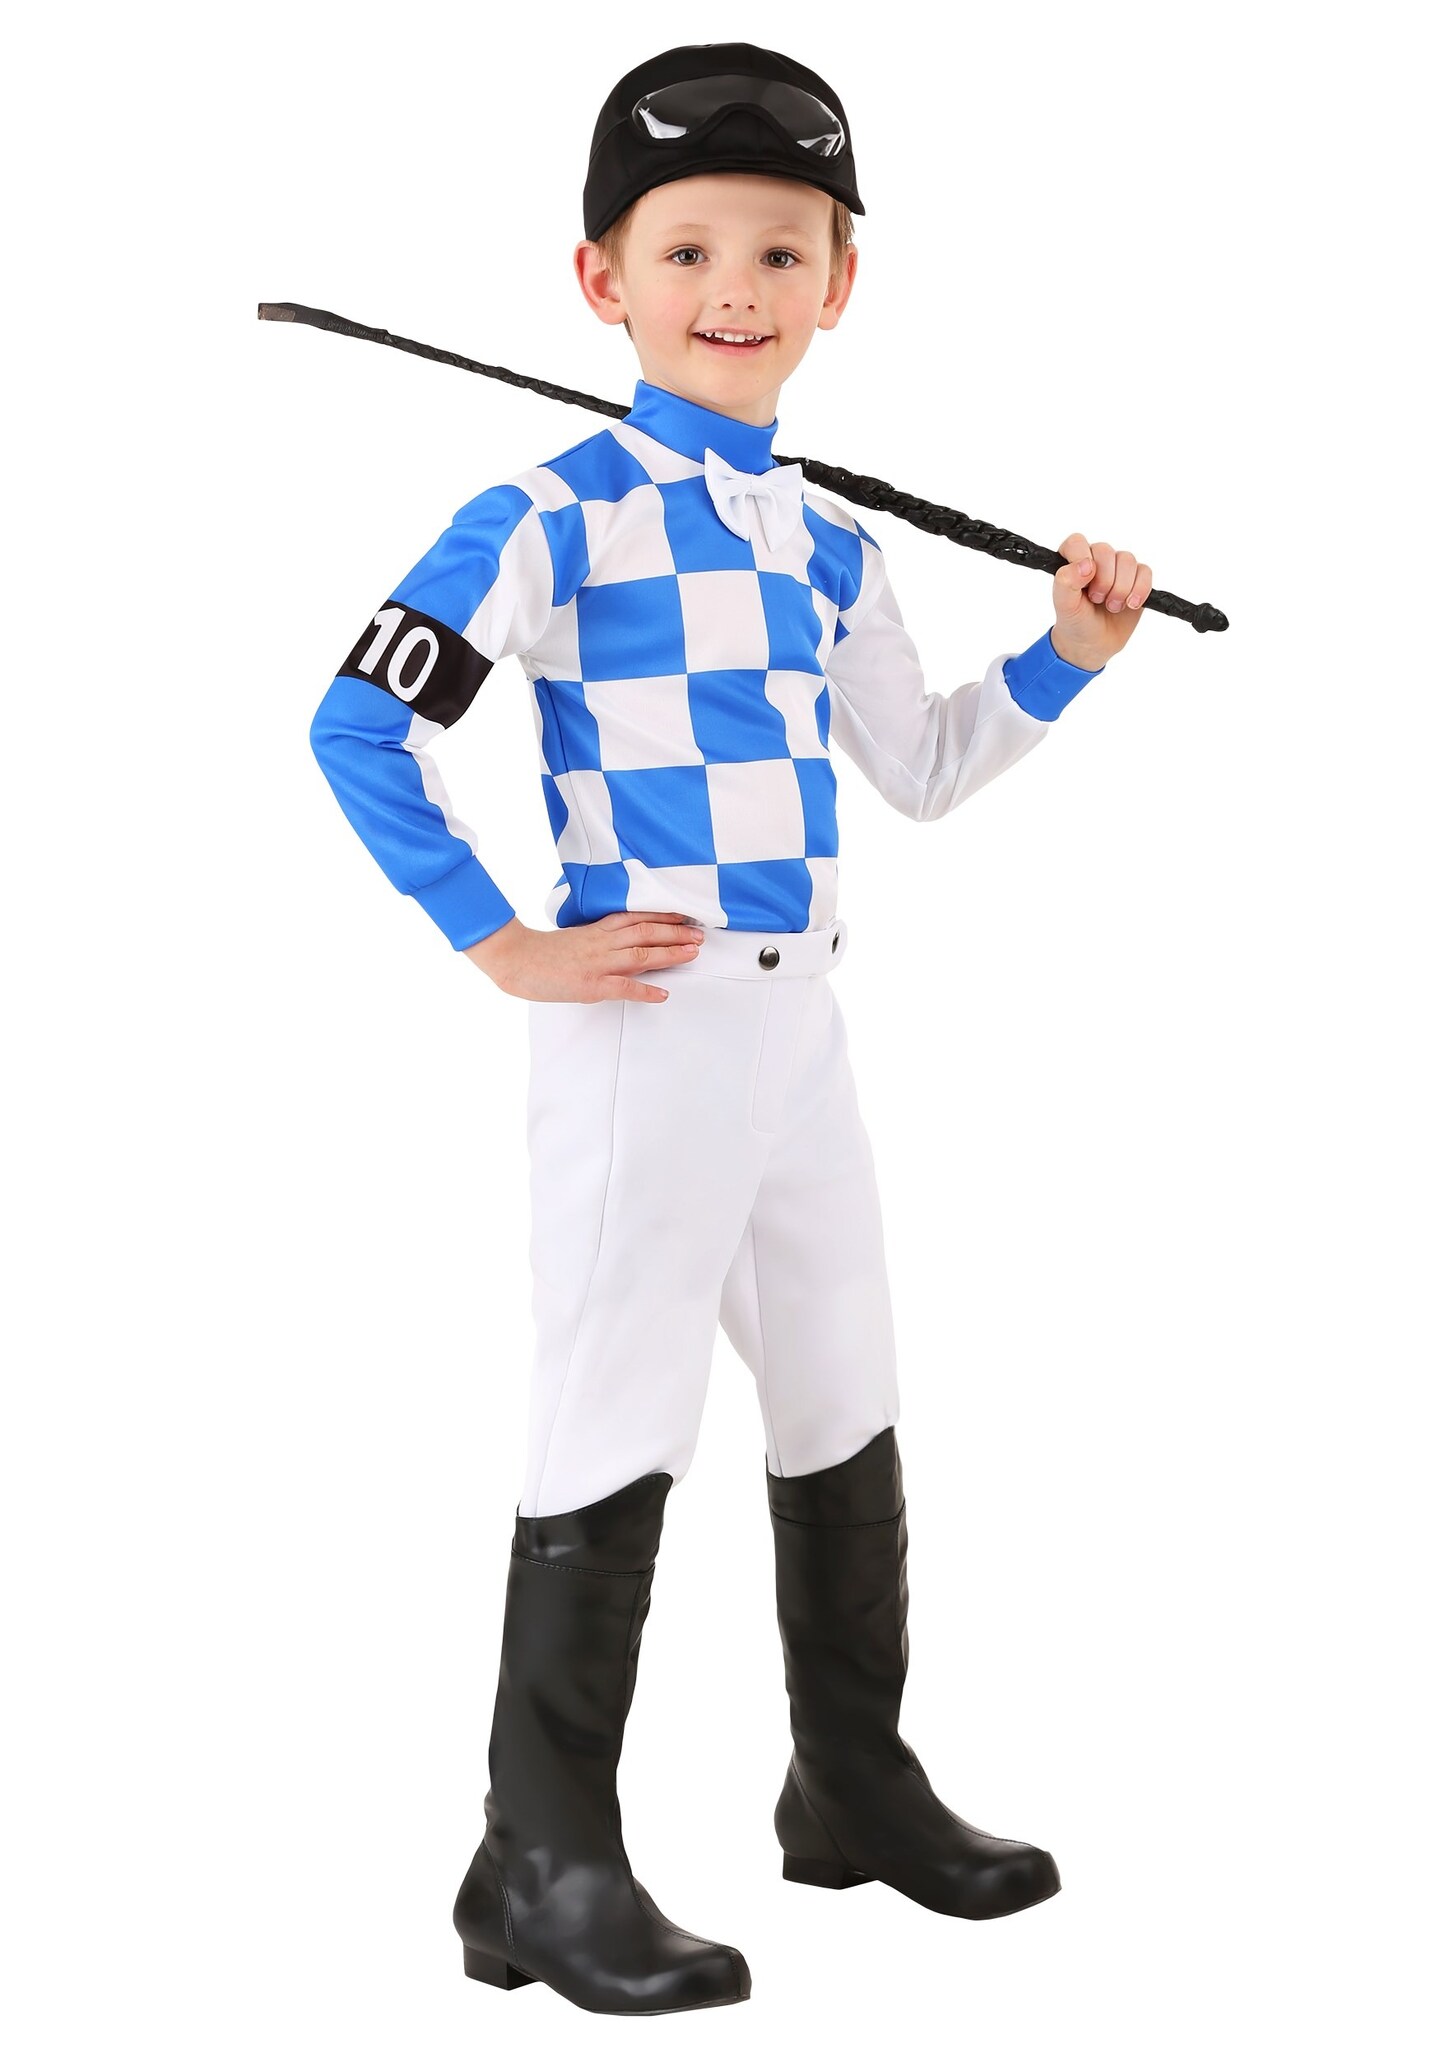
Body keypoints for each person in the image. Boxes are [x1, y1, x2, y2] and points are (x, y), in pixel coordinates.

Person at [309, 40, 1153, 2019]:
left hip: (802, 1034)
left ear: (841, 282)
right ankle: (539, 1857)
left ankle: (849, 1780)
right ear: (599, 278)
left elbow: (922, 769)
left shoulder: (830, 542)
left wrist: (1068, 655)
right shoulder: (549, 512)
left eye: (783, 249)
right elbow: (357, 724)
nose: (736, 288)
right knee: (615, 1419)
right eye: (685, 248)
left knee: (843, 1392)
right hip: (644, 1028)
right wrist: (501, 942)